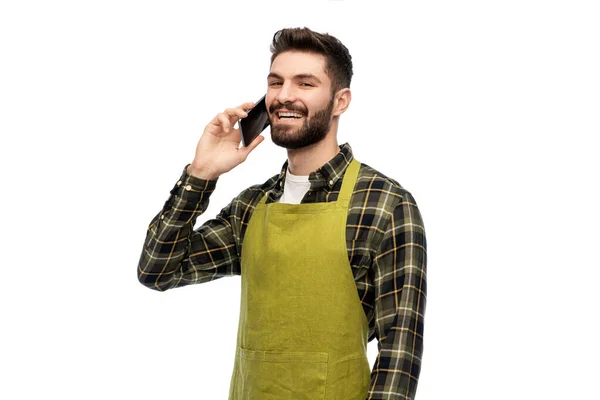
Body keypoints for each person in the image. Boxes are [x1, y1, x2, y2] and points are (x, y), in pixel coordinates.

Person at [138, 27, 427, 400]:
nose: (284, 96)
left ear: (340, 101)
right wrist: (201, 173)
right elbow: (157, 271)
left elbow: (399, 359)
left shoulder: (384, 204)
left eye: (305, 84)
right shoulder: (252, 206)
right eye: (276, 82)